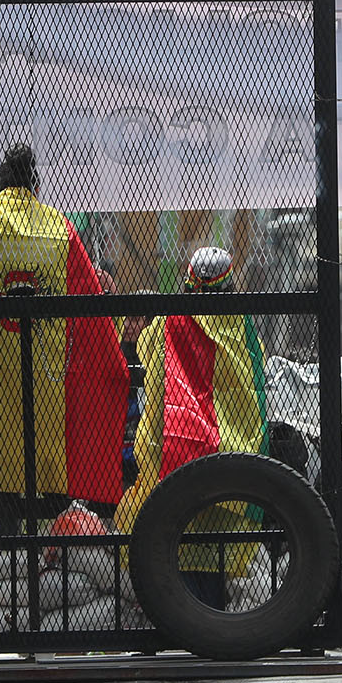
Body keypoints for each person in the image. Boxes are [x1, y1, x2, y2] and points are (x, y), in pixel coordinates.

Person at [0, 144, 126, 504]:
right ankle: (51, 501)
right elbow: (89, 306)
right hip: (46, 378)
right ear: (36, 189)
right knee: (45, 446)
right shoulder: (61, 230)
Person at [114, 247, 269, 609]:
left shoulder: (166, 325)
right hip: (231, 468)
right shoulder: (245, 332)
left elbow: (150, 376)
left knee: (171, 557)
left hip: (169, 463)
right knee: (214, 562)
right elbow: (256, 396)